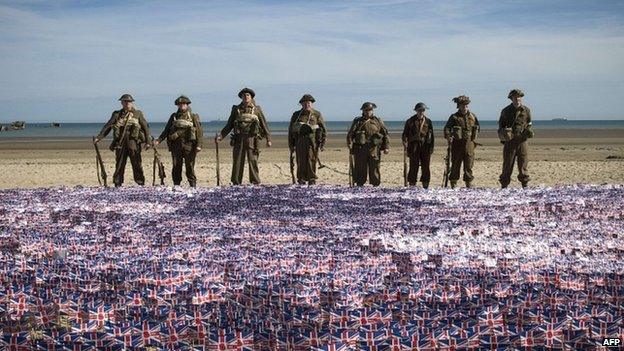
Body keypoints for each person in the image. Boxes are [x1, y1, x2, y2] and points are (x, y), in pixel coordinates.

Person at [215, 88, 271, 185]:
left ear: (251, 97)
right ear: (241, 97)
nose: (246, 97)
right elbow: (229, 125)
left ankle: (255, 182)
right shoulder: (236, 109)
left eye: (248, 95)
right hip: (239, 139)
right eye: (244, 95)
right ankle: (236, 182)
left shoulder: (257, 109)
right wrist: (221, 136)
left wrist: (268, 139)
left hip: (252, 139)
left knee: (253, 160)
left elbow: (264, 124)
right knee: (237, 161)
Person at [94, 94, 152, 187]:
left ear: (132, 103)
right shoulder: (117, 114)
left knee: (137, 163)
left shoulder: (138, 113)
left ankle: (140, 183)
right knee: (120, 163)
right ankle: (118, 183)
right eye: (125, 102)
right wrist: (99, 137)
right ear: (121, 103)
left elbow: (146, 128)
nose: (127, 104)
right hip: (120, 142)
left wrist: (148, 142)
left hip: (133, 142)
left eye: (129, 102)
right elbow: (108, 126)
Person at [154, 95, 203, 187]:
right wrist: (159, 140)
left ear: (187, 105)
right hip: (176, 145)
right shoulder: (173, 116)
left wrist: (199, 145)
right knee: (176, 166)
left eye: (184, 104)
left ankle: (193, 185)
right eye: (180, 104)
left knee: (190, 166)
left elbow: (199, 132)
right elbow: (167, 130)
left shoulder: (193, 116)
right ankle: (176, 185)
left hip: (190, 145)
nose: (182, 106)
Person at [346, 102, 389, 186]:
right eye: (366, 110)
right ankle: (360, 184)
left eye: (370, 110)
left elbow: (385, 134)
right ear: (363, 111)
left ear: (372, 110)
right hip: (360, 149)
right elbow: (350, 134)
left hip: (374, 148)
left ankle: (375, 185)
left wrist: (386, 147)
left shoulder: (377, 121)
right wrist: (349, 143)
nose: (368, 111)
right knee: (360, 168)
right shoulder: (357, 121)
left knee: (374, 168)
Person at [288, 94, 327, 185]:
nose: (307, 105)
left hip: (312, 143)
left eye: (308, 103)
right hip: (299, 141)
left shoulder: (317, 114)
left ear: (312, 104)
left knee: (311, 160)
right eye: (304, 103)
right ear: (301, 104)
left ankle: (311, 179)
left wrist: (322, 143)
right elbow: (291, 130)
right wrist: (291, 145)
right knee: (300, 161)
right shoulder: (296, 115)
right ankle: (301, 179)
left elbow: (323, 129)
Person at [498, 89, 533, 188]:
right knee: (508, 164)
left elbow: (529, 122)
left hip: (522, 141)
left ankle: (524, 184)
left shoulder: (526, 110)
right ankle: (504, 185)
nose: (517, 99)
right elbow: (501, 126)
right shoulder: (506, 111)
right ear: (511, 99)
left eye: (519, 97)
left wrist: (528, 131)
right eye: (515, 97)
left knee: (523, 163)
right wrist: (505, 133)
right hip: (510, 141)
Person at [443, 95, 480, 188]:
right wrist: (448, 137)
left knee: (469, 165)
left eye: (466, 106)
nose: (465, 108)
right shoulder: (454, 117)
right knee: (455, 165)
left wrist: (474, 135)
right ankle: (453, 183)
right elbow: (447, 128)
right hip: (457, 145)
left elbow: (478, 127)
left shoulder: (473, 116)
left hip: (469, 145)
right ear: (458, 106)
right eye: (463, 106)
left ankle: (469, 183)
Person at [402, 102, 434, 188]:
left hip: (425, 146)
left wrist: (431, 148)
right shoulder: (410, 121)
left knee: (426, 166)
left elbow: (432, 136)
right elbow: (405, 134)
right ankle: (412, 184)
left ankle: (425, 184)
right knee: (413, 166)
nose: (421, 112)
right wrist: (405, 144)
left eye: (423, 110)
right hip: (414, 147)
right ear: (416, 110)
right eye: (420, 110)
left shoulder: (428, 121)